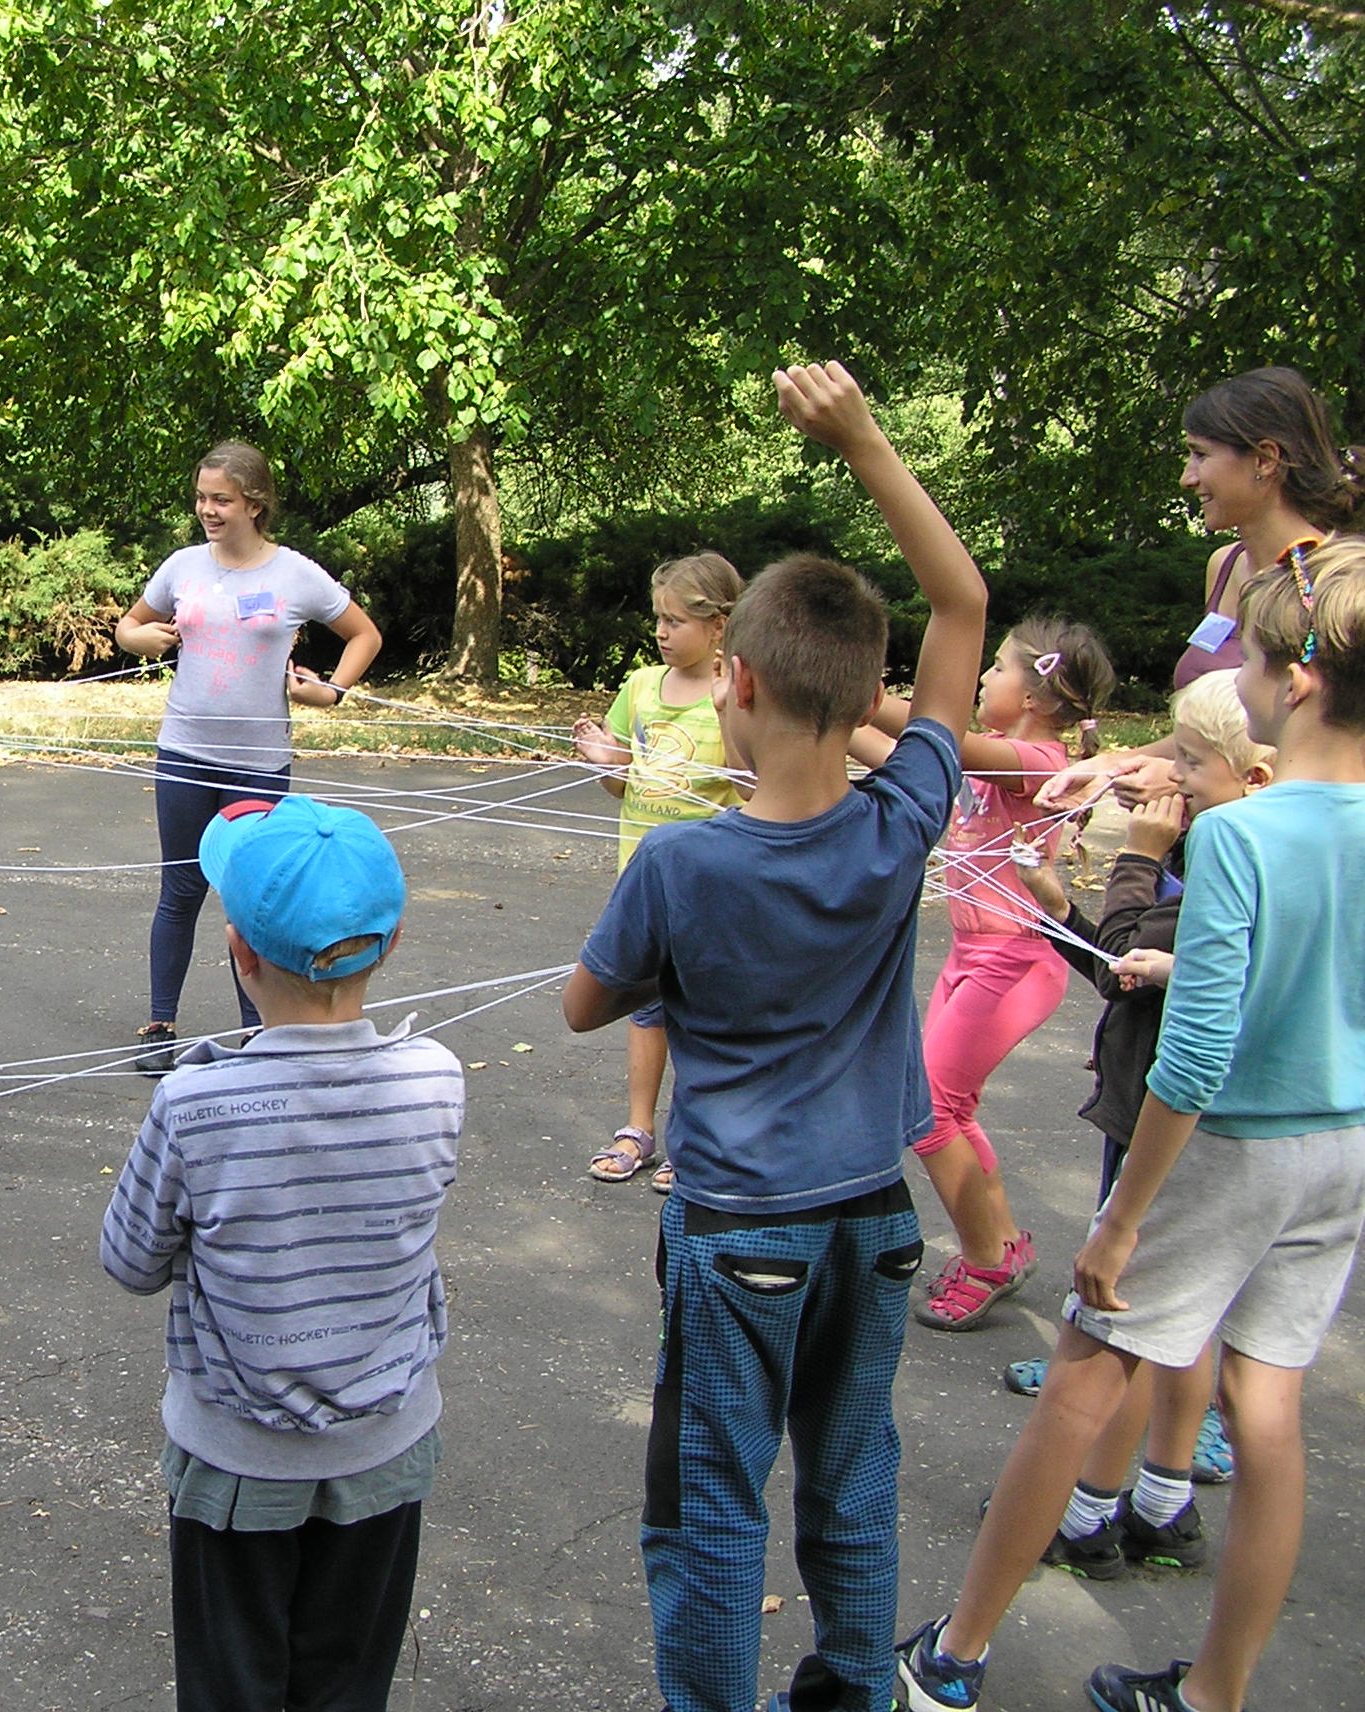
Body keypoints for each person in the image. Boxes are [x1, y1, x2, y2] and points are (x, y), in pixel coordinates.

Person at [564, 360, 988, 1712]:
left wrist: (661, 968)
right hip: (874, 1222)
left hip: (740, 1228)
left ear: (733, 679)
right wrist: (864, 441)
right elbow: (962, 605)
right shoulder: (901, 816)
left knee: (710, 1503)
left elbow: (584, 1003)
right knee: (852, 1476)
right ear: (865, 699)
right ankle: (855, 1687)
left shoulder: (679, 867)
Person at [897, 539, 1365, 1712]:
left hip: (1227, 1147)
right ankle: (1212, 1691)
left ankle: (951, 1655)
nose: (1232, 673)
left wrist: (1120, 1219)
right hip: (1337, 1148)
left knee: (1080, 1374)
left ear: (1297, 681)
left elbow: (1194, 1059)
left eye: (1248, 658)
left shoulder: (1241, 834)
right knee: (1265, 1409)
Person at [101, 793, 462, 1712]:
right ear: (392, 940)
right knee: (347, 1686)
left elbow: (131, 1260)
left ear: (239, 953)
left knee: (231, 1688)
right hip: (384, 1452)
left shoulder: (196, 1101)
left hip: (237, 1463)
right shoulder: (437, 1077)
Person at [1000, 670, 1274, 1584]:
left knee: (1123, 1328)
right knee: (1184, 1321)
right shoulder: (1237, 854)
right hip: (1189, 1117)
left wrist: (1137, 857)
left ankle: (1086, 1516)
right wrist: (1058, 909)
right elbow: (1122, 972)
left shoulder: (1221, 870)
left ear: (1254, 777)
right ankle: (1163, 1503)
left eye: (1191, 763)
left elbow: (1128, 955)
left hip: (1161, 1121)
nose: (1172, 777)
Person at [848, 618, 1114, 1331]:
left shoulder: (1036, 760)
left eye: (996, 668)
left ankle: (986, 1258)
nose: (984, 678)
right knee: (946, 1107)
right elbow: (899, 755)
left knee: (930, 1110)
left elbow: (941, 737)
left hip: (1016, 960)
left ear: (1035, 696)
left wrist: (860, 693)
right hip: (973, 955)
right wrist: (832, 713)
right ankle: (1000, 1243)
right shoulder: (993, 758)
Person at [114, 441, 382, 1073]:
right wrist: (139, 637)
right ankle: (160, 1026)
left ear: (255, 505)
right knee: (181, 889)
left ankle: (257, 1034)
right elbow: (129, 626)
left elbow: (364, 634)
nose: (208, 510)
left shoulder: (294, 574)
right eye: (202, 498)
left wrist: (331, 692)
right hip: (184, 752)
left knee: (252, 896)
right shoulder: (182, 566)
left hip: (257, 763)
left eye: (222, 500)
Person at [1045, 365, 1359, 811]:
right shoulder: (1224, 566)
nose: (1187, 478)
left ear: (1265, 459)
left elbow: (1335, 755)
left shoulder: (1338, 587)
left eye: (1200, 455)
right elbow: (1217, 730)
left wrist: (1184, 781)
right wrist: (1115, 765)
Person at [571, 551, 745, 1194]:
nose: (662, 632)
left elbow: (751, 790)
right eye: (659, 619)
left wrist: (729, 711)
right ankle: (638, 1129)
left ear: (720, 625)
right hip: (643, 883)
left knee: (700, 1009)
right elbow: (622, 783)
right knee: (646, 1007)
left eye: (676, 621)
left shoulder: (739, 693)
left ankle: (693, 1137)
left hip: (711, 889)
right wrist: (602, 758)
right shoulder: (642, 686)